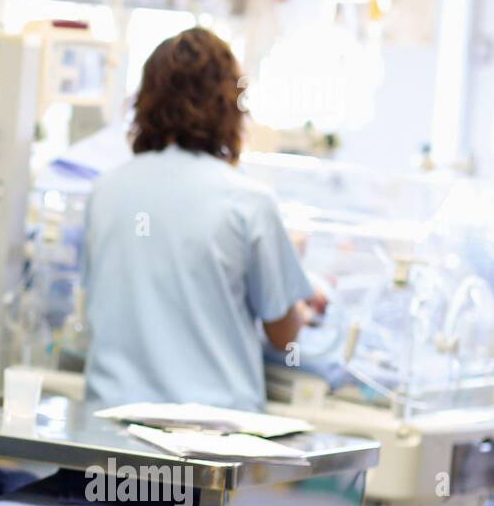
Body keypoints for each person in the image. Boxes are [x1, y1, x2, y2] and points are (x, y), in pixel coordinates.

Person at [81, 26, 325, 413]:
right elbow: (284, 337)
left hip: (109, 428)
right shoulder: (248, 202)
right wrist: (302, 302)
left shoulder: (105, 191)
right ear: (230, 105)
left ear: (145, 101)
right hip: (211, 442)